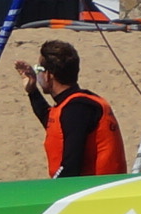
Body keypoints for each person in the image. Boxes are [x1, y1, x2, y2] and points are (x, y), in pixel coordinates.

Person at [21, 41, 127, 178]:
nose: (38, 75)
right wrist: (32, 91)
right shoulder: (75, 103)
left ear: (48, 75)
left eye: (39, 70)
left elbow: (71, 166)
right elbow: (53, 124)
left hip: (95, 192)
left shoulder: (77, 109)